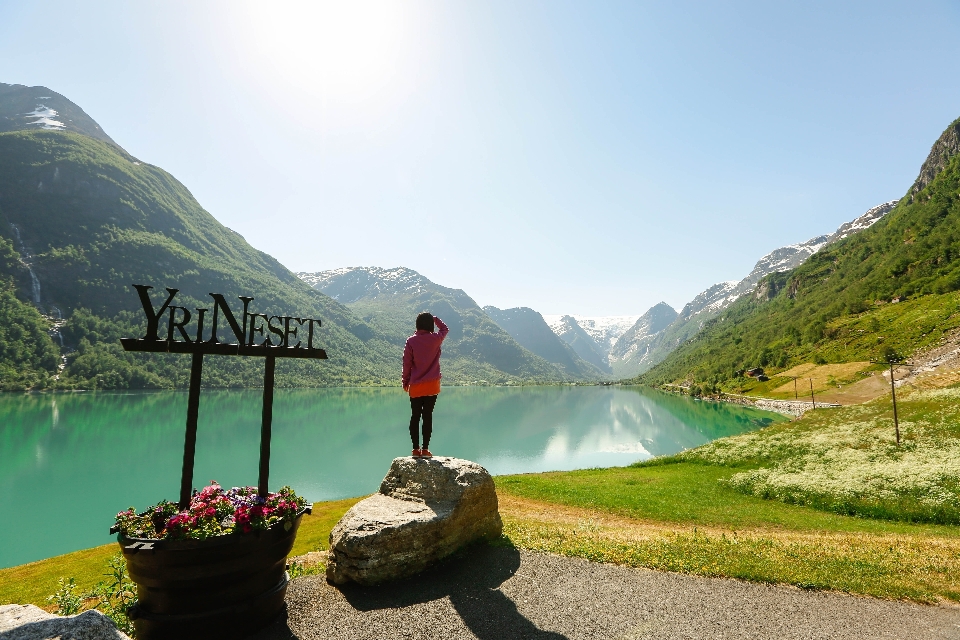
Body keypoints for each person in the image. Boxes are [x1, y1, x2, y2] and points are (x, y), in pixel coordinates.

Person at [402, 312, 449, 458]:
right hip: (432, 385)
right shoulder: (436, 339)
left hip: (415, 385)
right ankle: (426, 450)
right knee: (427, 416)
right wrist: (435, 319)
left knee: (415, 416)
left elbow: (407, 364)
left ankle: (415, 450)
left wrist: (405, 381)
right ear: (430, 324)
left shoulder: (411, 341)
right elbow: (445, 329)